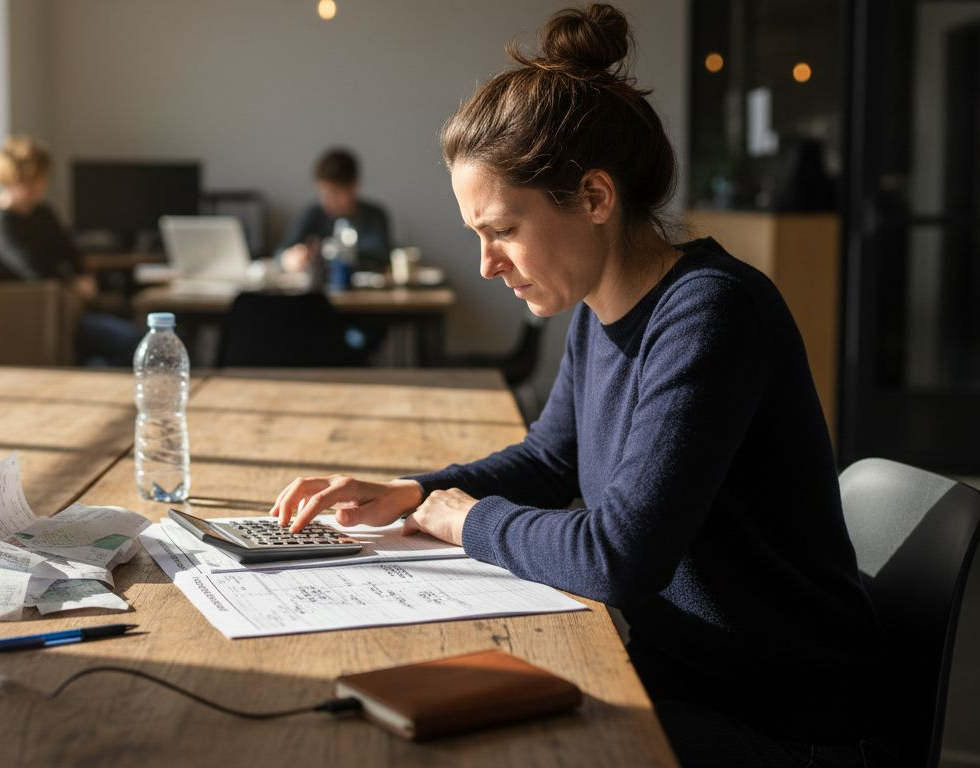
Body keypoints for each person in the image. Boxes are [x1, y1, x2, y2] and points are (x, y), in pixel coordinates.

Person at [268, 6, 893, 767]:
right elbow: (548, 460)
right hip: (683, 684)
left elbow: (617, 556)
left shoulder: (713, 312)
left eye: (500, 229)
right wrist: (411, 491)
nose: (485, 264)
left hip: (786, 726)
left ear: (595, 198)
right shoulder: (602, 308)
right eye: (477, 236)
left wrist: (462, 521)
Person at [0, 135, 141, 367]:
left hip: (65, 311)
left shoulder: (42, 213)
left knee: (130, 331)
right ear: (15, 179)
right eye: (36, 178)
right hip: (38, 318)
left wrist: (83, 276)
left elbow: (69, 250)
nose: (43, 184)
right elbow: (32, 270)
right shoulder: (2, 225)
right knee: (134, 342)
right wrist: (73, 284)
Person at [278, 147, 393, 273]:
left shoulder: (375, 216)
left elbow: (381, 256)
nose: (329, 200)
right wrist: (289, 258)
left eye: (335, 193)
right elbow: (281, 252)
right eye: (324, 194)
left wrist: (329, 252)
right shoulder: (312, 215)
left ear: (354, 186)